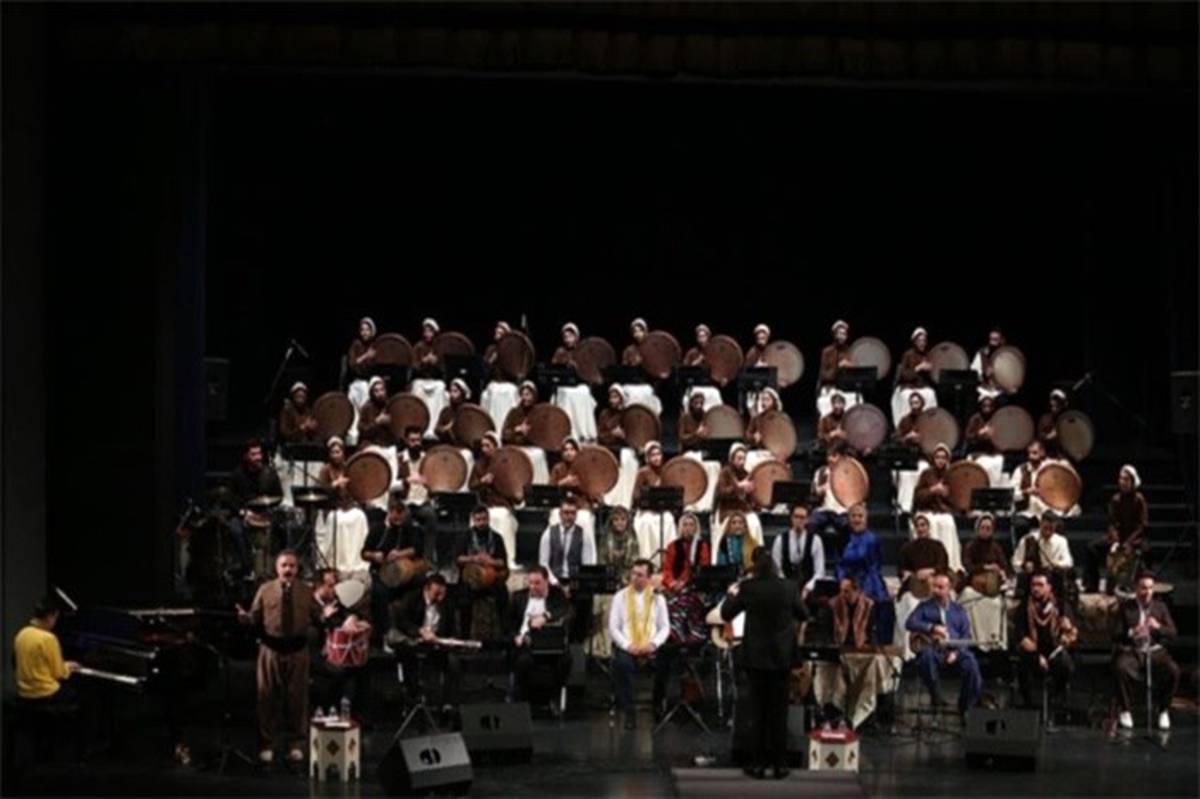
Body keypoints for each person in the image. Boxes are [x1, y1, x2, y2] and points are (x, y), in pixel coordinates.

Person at [720, 549, 807, 780]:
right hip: (782, 657)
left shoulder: (749, 588)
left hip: (756, 658)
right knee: (779, 713)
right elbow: (803, 614)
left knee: (757, 712)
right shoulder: (789, 587)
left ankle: (757, 764)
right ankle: (780, 765)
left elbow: (727, 613)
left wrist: (731, 594)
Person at [236, 550, 319, 764]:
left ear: (297, 568)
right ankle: (267, 743)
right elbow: (254, 617)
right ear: (277, 568)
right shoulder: (265, 590)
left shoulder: (306, 591)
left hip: (297, 651)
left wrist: (326, 615)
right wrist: (246, 618)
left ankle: (296, 744)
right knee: (267, 698)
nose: (288, 569)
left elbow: (318, 615)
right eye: (284, 565)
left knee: (298, 699)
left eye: (292, 565)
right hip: (271, 650)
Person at [904, 572, 982, 715]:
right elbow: (910, 622)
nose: (936, 590)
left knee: (971, 664)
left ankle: (966, 706)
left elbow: (966, 635)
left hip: (954, 650)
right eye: (934, 587)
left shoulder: (958, 610)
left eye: (940, 587)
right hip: (934, 649)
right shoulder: (924, 606)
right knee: (926, 658)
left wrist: (957, 653)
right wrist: (931, 627)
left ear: (949, 589)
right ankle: (936, 695)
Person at [1111, 573, 1179, 732]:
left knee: (1173, 671)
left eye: (1150, 588)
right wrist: (1131, 632)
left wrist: (1158, 627)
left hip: (1154, 651)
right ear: (1136, 589)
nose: (1147, 592)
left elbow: (1173, 632)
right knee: (1121, 668)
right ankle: (1125, 709)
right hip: (1133, 650)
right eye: (1143, 588)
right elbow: (1115, 633)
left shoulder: (1160, 607)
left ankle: (1163, 709)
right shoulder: (1126, 607)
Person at [609, 559, 672, 730]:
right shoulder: (620, 597)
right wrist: (628, 645)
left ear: (649, 578)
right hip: (629, 645)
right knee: (623, 664)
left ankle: (658, 704)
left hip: (650, 645)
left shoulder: (658, 599)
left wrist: (653, 644)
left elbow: (665, 627)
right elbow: (613, 628)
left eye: (640, 575)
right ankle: (629, 711)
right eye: (633, 574)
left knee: (666, 659)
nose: (635, 578)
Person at [388, 574, 461, 712]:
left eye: (442, 594)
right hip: (414, 642)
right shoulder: (412, 599)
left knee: (453, 662)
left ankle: (448, 704)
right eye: (436, 594)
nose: (440, 598)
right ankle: (412, 699)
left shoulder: (447, 604)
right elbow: (402, 622)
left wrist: (448, 640)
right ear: (427, 589)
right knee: (407, 656)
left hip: (437, 644)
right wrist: (420, 632)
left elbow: (452, 628)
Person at [362, 493, 428, 636]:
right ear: (389, 513)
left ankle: (411, 626)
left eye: (401, 516)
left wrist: (400, 554)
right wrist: (374, 555)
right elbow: (364, 553)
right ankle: (385, 632)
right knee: (380, 592)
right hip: (380, 572)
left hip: (402, 572)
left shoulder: (407, 529)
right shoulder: (378, 529)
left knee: (420, 582)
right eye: (396, 516)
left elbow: (417, 549)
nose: (399, 520)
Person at [509, 566, 572, 711]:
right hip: (526, 643)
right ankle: (522, 702)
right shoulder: (518, 597)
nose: (533, 587)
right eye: (530, 583)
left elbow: (565, 609)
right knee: (523, 662)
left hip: (550, 642)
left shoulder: (557, 594)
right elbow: (509, 623)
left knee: (566, 660)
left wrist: (546, 616)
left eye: (537, 583)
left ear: (546, 582)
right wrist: (516, 636)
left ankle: (555, 697)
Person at [1015, 572, 1076, 722]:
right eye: (1033, 585)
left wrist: (1067, 629)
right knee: (1023, 664)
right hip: (1033, 652)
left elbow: (1072, 634)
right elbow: (1021, 636)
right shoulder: (1024, 607)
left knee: (1066, 664)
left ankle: (1056, 699)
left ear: (1049, 587)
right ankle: (1029, 707)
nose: (1036, 589)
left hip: (1055, 650)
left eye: (1040, 585)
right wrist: (1037, 656)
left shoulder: (1061, 606)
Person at [537, 497, 597, 642]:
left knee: (585, 598)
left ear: (576, 515)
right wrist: (556, 583)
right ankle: (552, 639)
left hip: (575, 580)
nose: (569, 516)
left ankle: (577, 641)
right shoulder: (548, 533)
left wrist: (572, 585)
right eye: (566, 513)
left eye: (572, 513)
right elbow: (543, 563)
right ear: (560, 514)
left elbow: (587, 565)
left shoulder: (584, 535)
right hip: (554, 580)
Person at [590, 507, 643, 658]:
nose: (620, 523)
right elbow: (602, 564)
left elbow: (634, 565)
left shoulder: (633, 539)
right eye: (616, 519)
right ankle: (607, 646)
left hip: (628, 582)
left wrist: (625, 581)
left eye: (623, 519)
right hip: (609, 581)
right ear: (611, 522)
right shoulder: (604, 539)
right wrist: (613, 581)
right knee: (607, 603)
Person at [1087, 465, 1148, 593]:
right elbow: (1112, 523)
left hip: (1133, 539)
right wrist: (1115, 541)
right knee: (1092, 547)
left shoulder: (1139, 500)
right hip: (1118, 538)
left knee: (1145, 551)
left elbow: (1142, 526)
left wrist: (1128, 543)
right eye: (1121, 479)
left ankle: (1139, 586)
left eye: (1126, 479)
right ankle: (1092, 584)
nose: (1122, 482)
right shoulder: (1116, 499)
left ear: (1132, 482)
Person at [455, 504, 511, 641]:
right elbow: (458, 559)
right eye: (478, 520)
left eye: (484, 519)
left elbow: (503, 563)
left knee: (503, 597)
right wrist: (474, 559)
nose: (481, 523)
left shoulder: (497, 538)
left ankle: (504, 636)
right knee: (463, 601)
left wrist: (490, 561)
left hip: (492, 579)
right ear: (473, 520)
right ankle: (464, 638)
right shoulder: (465, 536)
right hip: (470, 580)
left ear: (488, 519)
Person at [958, 513, 1011, 650]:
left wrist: (1002, 572)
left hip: (993, 588)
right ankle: (976, 641)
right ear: (977, 529)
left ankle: (993, 641)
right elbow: (968, 566)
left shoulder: (996, 547)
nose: (985, 531)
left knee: (996, 604)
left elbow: (1005, 566)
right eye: (983, 528)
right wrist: (985, 567)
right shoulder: (970, 546)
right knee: (969, 598)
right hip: (974, 585)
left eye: (988, 528)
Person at [468, 432, 520, 569]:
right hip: (485, 505)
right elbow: (471, 486)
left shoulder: (506, 464)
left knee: (502, 517)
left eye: (488, 446)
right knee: (476, 517)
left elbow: (515, 488)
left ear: (496, 447)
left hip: (503, 506)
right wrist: (482, 482)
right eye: (483, 446)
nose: (484, 449)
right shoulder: (479, 465)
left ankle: (508, 559)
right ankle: (476, 557)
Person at [660, 512, 712, 647]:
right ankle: (673, 636)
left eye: (691, 525)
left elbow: (703, 569)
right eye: (685, 525)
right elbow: (667, 569)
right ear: (680, 527)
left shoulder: (702, 546)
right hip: (674, 587)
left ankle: (689, 636)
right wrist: (672, 583)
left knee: (688, 601)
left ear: (696, 528)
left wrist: (684, 583)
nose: (688, 528)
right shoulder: (672, 546)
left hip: (695, 587)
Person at [912, 442, 963, 573]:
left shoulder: (951, 475)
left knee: (948, 523)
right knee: (931, 524)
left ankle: (949, 565)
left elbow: (957, 499)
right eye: (938, 457)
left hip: (943, 512)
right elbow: (918, 496)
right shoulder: (926, 474)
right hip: (927, 510)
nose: (940, 460)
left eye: (943, 457)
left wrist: (947, 495)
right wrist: (932, 490)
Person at [1012, 512, 1074, 602]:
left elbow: (1068, 561)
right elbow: (1015, 562)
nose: (1048, 532)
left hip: (1053, 578)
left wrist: (1057, 564)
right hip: (1032, 578)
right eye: (1045, 528)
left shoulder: (1061, 541)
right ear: (1040, 525)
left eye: (1051, 529)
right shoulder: (1028, 540)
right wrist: (1024, 565)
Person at [770, 504, 826, 602]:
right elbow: (777, 569)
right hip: (785, 586)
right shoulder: (780, 540)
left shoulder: (815, 540)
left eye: (802, 517)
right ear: (791, 518)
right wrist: (787, 587)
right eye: (796, 517)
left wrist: (808, 588)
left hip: (808, 588)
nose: (799, 521)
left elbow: (820, 571)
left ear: (807, 520)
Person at [892, 327, 938, 426]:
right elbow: (904, 374)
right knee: (906, 396)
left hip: (922, 386)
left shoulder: (927, 355)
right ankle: (906, 425)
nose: (922, 343)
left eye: (924, 341)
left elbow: (933, 377)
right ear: (915, 342)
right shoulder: (908, 355)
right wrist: (918, 368)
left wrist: (931, 370)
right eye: (920, 341)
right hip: (908, 386)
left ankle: (928, 425)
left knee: (931, 394)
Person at [817, 320, 861, 416]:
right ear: (834, 335)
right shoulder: (827, 351)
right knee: (826, 402)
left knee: (857, 400)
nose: (841, 336)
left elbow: (857, 374)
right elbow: (823, 374)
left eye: (844, 334)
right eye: (839, 333)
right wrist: (838, 368)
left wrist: (851, 366)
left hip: (847, 388)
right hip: (830, 387)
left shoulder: (850, 351)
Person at [356, 376, 395, 447]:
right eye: (376, 391)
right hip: (371, 444)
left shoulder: (390, 406)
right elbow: (363, 431)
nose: (380, 393)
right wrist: (377, 422)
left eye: (382, 390)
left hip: (387, 444)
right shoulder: (366, 408)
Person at [434, 378, 472, 445]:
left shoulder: (468, 412)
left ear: (462, 394)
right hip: (446, 445)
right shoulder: (445, 411)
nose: (452, 394)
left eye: (455, 391)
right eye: (451, 391)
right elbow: (437, 430)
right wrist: (446, 428)